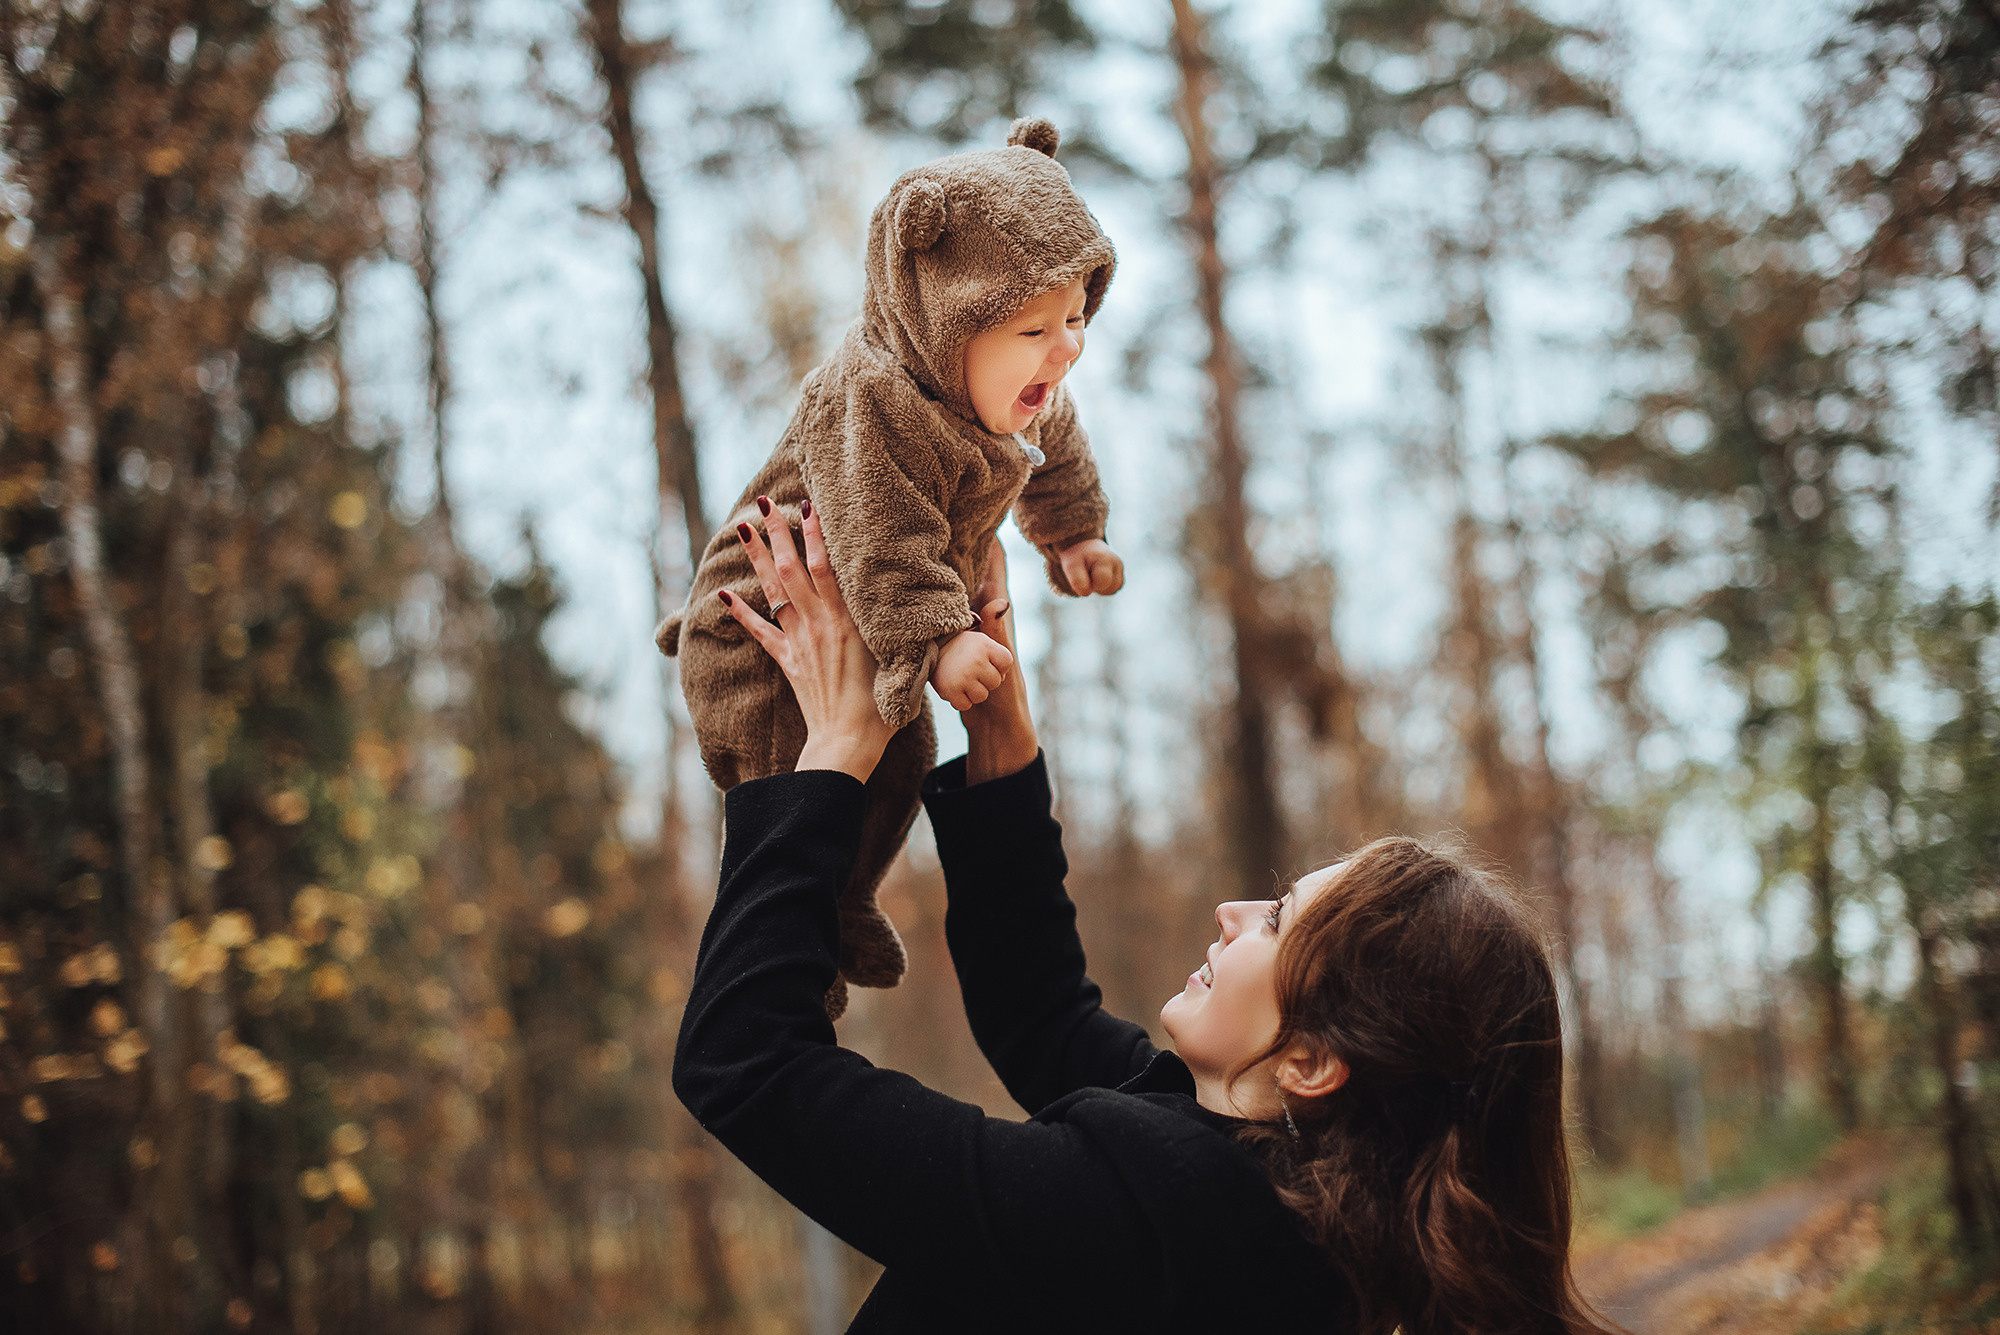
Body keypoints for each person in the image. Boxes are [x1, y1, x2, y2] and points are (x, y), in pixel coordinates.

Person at [672, 503, 1613, 1334]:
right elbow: (1042, 1018)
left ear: (1312, 1063)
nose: (1233, 911)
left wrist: (833, 756)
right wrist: (1002, 738)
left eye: (1278, 922)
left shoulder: (1156, 1215)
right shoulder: (1271, 1201)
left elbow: (747, 1060)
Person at [656, 117, 1124, 1016]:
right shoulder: (873, 398)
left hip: (878, 624)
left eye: (1075, 318)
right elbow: (883, 536)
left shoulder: (1022, 396)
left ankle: (846, 898)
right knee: (792, 780)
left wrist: (1073, 535)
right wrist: (942, 638)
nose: (1066, 348)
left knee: (904, 756)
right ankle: (787, 949)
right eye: (1034, 327)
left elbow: (1058, 450)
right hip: (757, 628)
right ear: (942, 325)